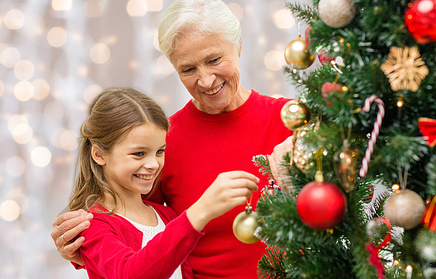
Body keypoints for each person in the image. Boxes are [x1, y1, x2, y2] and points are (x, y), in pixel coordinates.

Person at [51, 0, 293, 278]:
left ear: (238, 47)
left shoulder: (291, 120)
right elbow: (137, 229)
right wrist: (80, 247)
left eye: (214, 60)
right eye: (188, 69)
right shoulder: (162, 143)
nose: (205, 80)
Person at [69, 87, 260, 279]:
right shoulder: (91, 225)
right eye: (139, 154)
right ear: (99, 154)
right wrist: (200, 211)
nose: (153, 164)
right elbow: (130, 273)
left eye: (159, 151)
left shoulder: (166, 215)